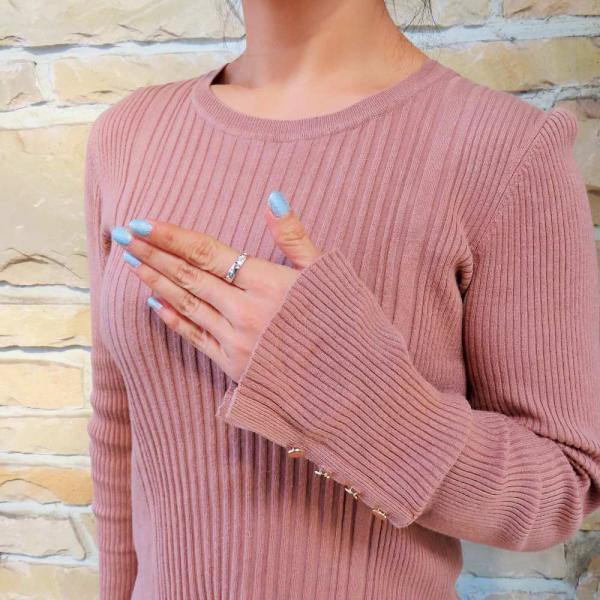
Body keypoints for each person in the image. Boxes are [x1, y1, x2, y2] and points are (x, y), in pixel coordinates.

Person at [83, 0, 600, 598]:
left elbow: (563, 488)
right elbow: (118, 424)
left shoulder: (505, 150)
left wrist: (338, 390)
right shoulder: (128, 135)